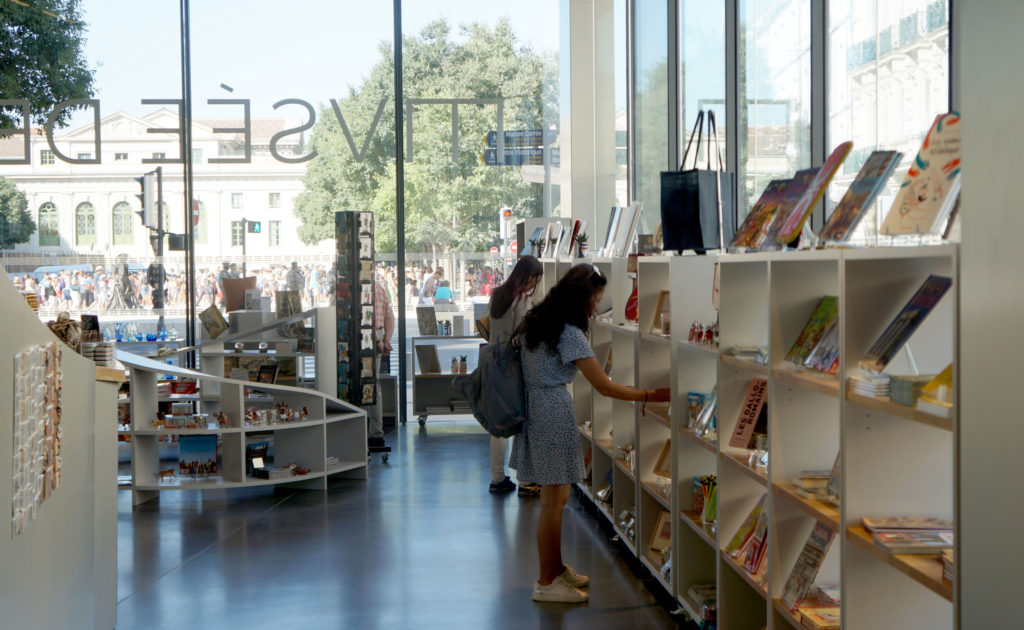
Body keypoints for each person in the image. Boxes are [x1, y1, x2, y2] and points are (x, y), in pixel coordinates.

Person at [510, 264, 670, 603]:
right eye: (595, 300)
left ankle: (555, 569)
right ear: (582, 298)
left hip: (534, 409)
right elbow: (604, 387)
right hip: (553, 410)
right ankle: (545, 580)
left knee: (555, 500)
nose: (597, 306)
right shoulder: (569, 333)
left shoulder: (538, 323)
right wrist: (649, 397)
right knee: (553, 504)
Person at [486, 255, 543, 496]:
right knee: (522, 425)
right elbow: (523, 334)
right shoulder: (520, 299)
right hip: (513, 366)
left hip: (493, 362)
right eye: (535, 279)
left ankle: (498, 478)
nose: (534, 285)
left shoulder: (497, 295)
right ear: (528, 276)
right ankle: (526, 481)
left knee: (498, 426)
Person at [369, 276, 396, 447]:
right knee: (374, 385)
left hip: (365, 339)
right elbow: (389, 315)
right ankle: (376, 432)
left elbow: (363, 320)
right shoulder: (378, 287)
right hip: (377, 336)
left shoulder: (352, 289)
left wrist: (379, 341)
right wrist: (386, 340)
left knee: (356, 384)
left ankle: (354, 428)